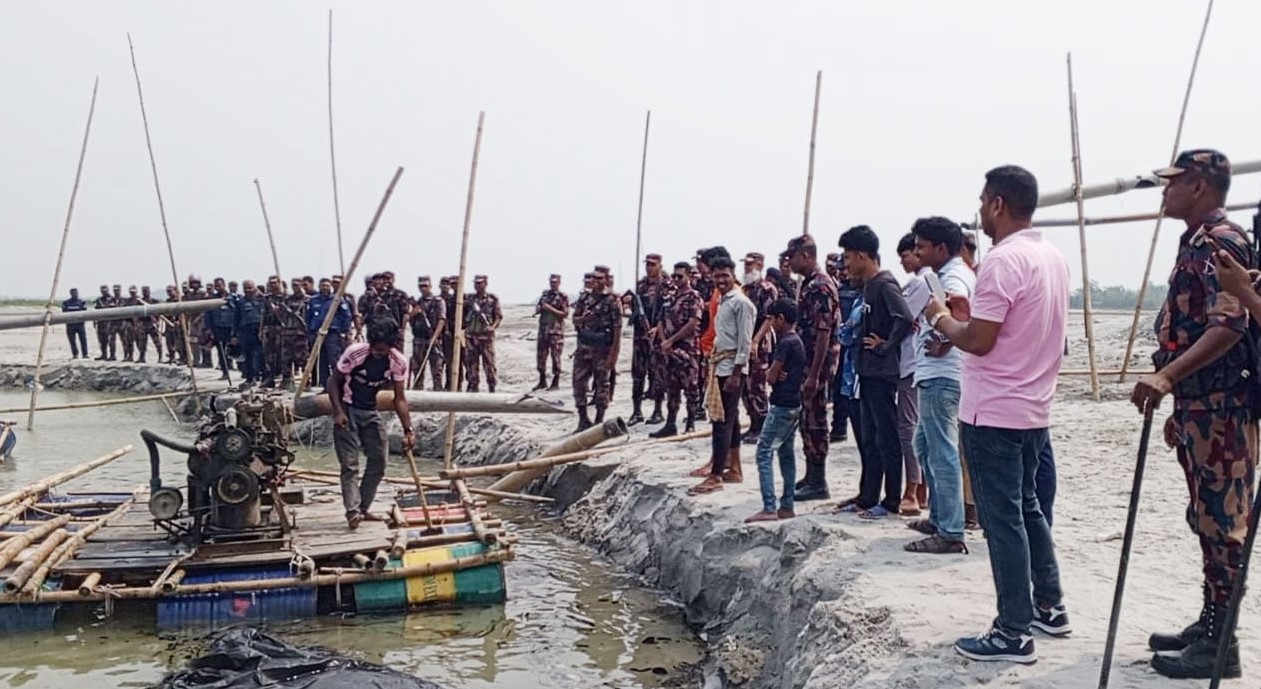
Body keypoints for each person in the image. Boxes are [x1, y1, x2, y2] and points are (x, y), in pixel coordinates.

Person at [924, 165, 1069, 664]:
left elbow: (980, 343)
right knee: (1027, 508)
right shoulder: (1050, 256)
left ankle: (1012, 631)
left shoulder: (1002, 261)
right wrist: (966, 318)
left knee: (1003, 519)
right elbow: (1013, 330)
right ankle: (1049, 605)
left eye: (984, 200)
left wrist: (940, 318)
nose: (980, 210)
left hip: (994, 411)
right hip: (1032, 407)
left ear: (998, 204)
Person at [1130, 149, 1256, 679]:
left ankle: (1221, 644)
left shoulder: (1220, 243)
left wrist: (1167, 377)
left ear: (1200, 186)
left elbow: (1229, 327)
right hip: (1202, 408)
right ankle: (1210, 622)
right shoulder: (1197, 242)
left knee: (1224, 524)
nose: (1166, 191)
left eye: (1173, 182)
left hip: (1224, 408)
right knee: (1205, 519)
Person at [904, 217, 975, 555]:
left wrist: (946, 341)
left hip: (942, 374)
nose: (917, 253)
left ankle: (950, 530)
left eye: (921, 247)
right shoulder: (948, 274)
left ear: (941, 248)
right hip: (937, 372)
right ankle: (941, 516)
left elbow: (962, 310)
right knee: (925, 446)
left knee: (942, 451)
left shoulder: (953, 276)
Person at [838, 225, 912, 519]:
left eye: (847, 257)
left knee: (886, 436)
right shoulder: (867, 287)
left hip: (881, 373)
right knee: (868, 436)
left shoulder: (884, 283)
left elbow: (904, 317)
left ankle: (892, 499)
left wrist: (886, 346)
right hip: (865, 373)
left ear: (861, 255)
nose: (845, 264)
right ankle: (868, 495)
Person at [327, 318, 414, 530]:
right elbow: (332, 381)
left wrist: (408, 429)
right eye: (375, 349)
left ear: (392, 346)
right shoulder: (356, 352)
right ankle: (353, 512)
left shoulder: (398, 361)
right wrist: (337, 412)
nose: (377, 353)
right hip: (347, 408)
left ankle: (363, 508)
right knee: (349, 465)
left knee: (379, 462)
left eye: (382, 351)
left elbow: (399, 398)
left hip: (370, 411)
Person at [688, 255, 754, 494]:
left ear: (733, 274)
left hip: (732, 367)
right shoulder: (723, 300)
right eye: (716, 276)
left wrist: (737, 372)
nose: (720, 280)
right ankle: (734, 468)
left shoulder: (741, 302)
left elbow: (745, 342)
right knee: (730, 420)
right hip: (720, 365)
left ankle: (716, 475)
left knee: (721, 422)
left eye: (725, 275)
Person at [787, 235, 839, 502]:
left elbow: (822, 333)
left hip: (816, 364)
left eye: (792, 256)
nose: (789, 261)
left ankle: (818, 481)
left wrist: (815, 374)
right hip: (807, 362)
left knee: (815, 419)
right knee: (807, 420)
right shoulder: (808, 284)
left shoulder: (820, 286)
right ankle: (811, 475)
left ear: (806, 256)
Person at [745, 298, 805, 522]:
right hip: (794, 403)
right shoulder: (796, 341)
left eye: (772, 319)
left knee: (764, 452)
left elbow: (770, 377)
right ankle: (787, 505)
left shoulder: (786, 342)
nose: (770, 324)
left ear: (781, 319)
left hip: (781, 404)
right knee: (786, 453)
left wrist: (773, 373)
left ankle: (769, 506)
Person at [895, 233, 929, 515]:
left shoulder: (921, 282)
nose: (904, 261)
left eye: (906, 254)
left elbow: (903, 315)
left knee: (909, 427)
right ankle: (922, 489)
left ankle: (913, 489)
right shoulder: (923, 281)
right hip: (915, 362)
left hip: (914, 363)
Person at [652, 262, 703, 437]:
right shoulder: (670, 298)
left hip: (687, 349)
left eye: (679, 276)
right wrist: (664, 340)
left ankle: (690, 422)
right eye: (674, 276)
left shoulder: (694, 297)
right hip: (669, 350)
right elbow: (660, 320)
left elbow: (693, 323)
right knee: (671, 387)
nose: (675, 279)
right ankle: (670, 423)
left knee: (690, 387)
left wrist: (672, 340)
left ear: (689, 276)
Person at [571, 267, 622, 431]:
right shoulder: (584, 298)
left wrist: (614, 354)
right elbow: (575, 320)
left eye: (600, 279)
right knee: (578, 384)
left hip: (602, 349)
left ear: (606, 280)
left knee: (602, 385)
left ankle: (599, 420)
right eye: (594, 278)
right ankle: (583, 418)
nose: (596, 282)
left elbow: (617, 328)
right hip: (583, 348)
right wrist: (582, 319)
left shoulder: (612, 301)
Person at [741, 252, 779, 444]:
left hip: (759, 344)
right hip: (743, 343)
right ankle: (753, 422)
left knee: (756, 385)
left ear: (760, 265)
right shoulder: (745, 289)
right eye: (745, 265)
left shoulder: (767, 289)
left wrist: (755, 341)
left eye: (750, 265)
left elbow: (769, 317)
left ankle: (762, 425)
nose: (746, 268)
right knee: (745, 387)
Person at [630, 255, 668, 423]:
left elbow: (669, 310)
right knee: (638, 374)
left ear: (660, 265)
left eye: (653, 265)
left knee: (658, 374)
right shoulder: (641, 285)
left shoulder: (667, 285)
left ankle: (658, 411)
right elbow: (635, 308)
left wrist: (657, 328)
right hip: (640, 336)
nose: (649, 268)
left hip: (658, 336)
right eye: (647, 265)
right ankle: (636, 411)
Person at [829, 254, 859, 442]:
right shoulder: (838, 290)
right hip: (839, 345)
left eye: (844, 269)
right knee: (839, 386)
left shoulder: (860, 291)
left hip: (854, 346)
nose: (842, 273)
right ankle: (839, 427)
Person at [307, 278, 354, 387]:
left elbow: (346, 316)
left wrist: (344, 331)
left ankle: (339, 385)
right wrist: (310, 330)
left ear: (330, 287)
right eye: (322, 285)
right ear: (319, 286)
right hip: (317, 334)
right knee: (321, 361)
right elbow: (308, 317)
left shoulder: (337, 299)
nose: (325, 287)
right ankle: (325, 385)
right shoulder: (314, 300)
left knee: (334, 359)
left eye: (327, 286)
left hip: (332, 333)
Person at [463, 275, 502, 393]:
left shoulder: (492, 299)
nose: (477, 286)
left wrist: (492, 327)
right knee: (472, 365)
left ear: (485, 284)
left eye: (480, 283)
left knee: (489, 365)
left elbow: (499, 316)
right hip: (471, 337)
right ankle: (473, 388)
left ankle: (492, 388)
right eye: (476, 283)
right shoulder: (470, 299)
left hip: (486, 338)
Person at [410, 276, 447, 390]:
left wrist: (434, 337)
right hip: (419, 340)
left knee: (436, 370)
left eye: (425, 286)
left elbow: (442, 320)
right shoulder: (417, 303)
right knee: (418, 369)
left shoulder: (438, 301)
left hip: (433, 340)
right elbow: (410, 321)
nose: (423, 288)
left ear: (430, 286)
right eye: (421, 286)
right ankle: (418, 392)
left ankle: (438, 392)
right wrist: (413, 314)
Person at [535, 273, 570, 391]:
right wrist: (539, 309)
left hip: (556, 331)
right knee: (541, 356)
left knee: (556, 356)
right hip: (543, 330)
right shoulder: (545, 294)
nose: (553, 284)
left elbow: (565, 314)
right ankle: (542, 380)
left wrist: (551, 309)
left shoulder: (562, 296)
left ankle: (556, 381)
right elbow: (538, 307)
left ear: (559, 283)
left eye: (555, 282)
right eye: (551, 282)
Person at [233, 280, 266, 384]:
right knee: (248, 355)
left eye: (250, 287)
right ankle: (250, 378)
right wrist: (234, 335)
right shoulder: (241, 302)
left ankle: (264, 377)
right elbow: (236, 319)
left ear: (254, 287)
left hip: (259, 329)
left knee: (261, 354)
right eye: (246, 288)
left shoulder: (262, 299)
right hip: (246, 331)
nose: (248, 290)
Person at [62, 288, 89, 359]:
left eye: (76, 293)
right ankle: (75, 354)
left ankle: (85, 354)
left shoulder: (82, 302)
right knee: (72, 341)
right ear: (71, 293)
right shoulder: (66, 303)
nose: (75, 294)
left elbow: (85, 312)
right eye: (74, 293)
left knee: (83, 340)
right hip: (70, 325)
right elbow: (64, 312)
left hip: (80, 324)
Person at [139, 286, 163, 364]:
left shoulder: (154, 301)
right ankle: (142, 357)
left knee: (157, 342)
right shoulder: (139, 302)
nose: (145, 292)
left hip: (152, 324)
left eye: (146, 291)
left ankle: (160, 357)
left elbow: (159, 313)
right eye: (144, 291)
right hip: (143, 324)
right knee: (142, 343)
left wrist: (157, 322)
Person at [91, 285, 116, 361]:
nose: (104, 292)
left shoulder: (113, 299)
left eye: (105, 290)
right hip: (100, 323)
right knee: (102, 340)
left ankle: (112, 355)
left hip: (110, 323)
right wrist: (94, 321)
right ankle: (104, 355)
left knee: (111, 340)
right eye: (102, 290)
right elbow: (95, 311)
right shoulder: (99, 300)